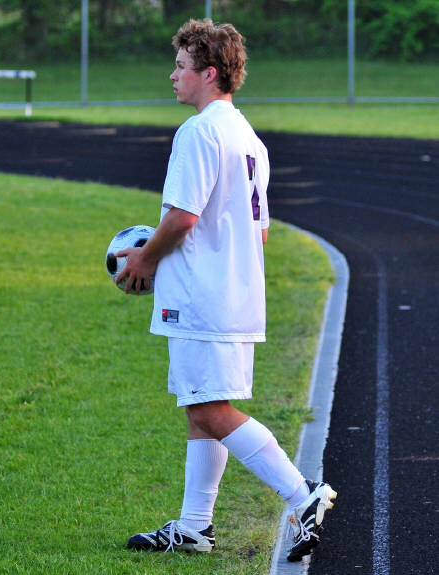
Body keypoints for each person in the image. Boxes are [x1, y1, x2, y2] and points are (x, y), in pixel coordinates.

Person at [115, 18, 336, 562]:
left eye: (181, 66)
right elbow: (258, 231)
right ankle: (195, 527)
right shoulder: (249, 138)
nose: (172, 76)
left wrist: (145, 258)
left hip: (202, 298)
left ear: (208, 73)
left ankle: (301, 493)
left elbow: (183, 217)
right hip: (236, 295)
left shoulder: (199, 132)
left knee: (211, 410)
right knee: (201, 408)